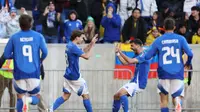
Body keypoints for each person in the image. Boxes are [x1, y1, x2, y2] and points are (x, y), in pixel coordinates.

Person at [144, 18, 193, 112]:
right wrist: (187, 63)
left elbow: (148, 56)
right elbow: (190, 54)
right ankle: (178, 103)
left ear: (163, 27)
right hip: (178, 72)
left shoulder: (158, 40)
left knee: (163, 101)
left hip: (163, 72)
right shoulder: (181, 39)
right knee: (176, 96)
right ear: (174, 27)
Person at [3, 14, 48, 112]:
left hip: (19, 73)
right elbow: (45, 52)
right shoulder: (38, 36)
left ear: (19, 24)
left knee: (20, 98)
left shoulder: (14, 37)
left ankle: (24, 101)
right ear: (31, 24)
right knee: (36, 98)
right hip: (34, 73)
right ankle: (29, 99)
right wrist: (40, 60)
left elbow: (6, 55)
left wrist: (14, 55)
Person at [50, 30, 98, 112]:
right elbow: (86, 56)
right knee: (86, 96)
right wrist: (93, 46)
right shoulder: (73, 47)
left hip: (68, 75)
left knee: (65, 96)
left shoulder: (70, 45)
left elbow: (83, 50)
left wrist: (91, 43)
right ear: (77, 38)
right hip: (75, 77)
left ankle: (50, 110)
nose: (83, 40)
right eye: (82, 38)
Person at [113, 39, 150, 112]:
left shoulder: (144, 55)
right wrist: (118, 54)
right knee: (116, 96)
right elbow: (125, 63)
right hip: (133, 82)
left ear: (138, 46)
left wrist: (120, 51)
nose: (131, 47)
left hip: (139, 83)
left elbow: (130, 61)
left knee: (121, 93)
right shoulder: (137, 55)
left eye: (132, 46)